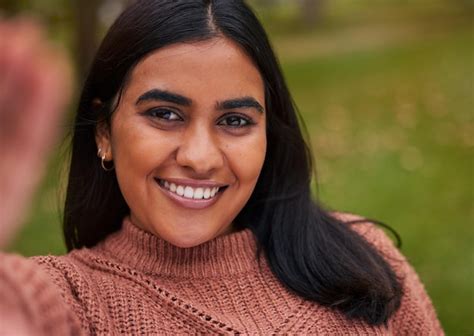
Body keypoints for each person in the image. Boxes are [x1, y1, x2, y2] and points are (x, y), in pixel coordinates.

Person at [0, 1, 443, 335]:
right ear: (103, 132)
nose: (200, 157)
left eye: (235, 121)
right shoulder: (68, 299)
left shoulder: (364, 257)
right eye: (165, 114)